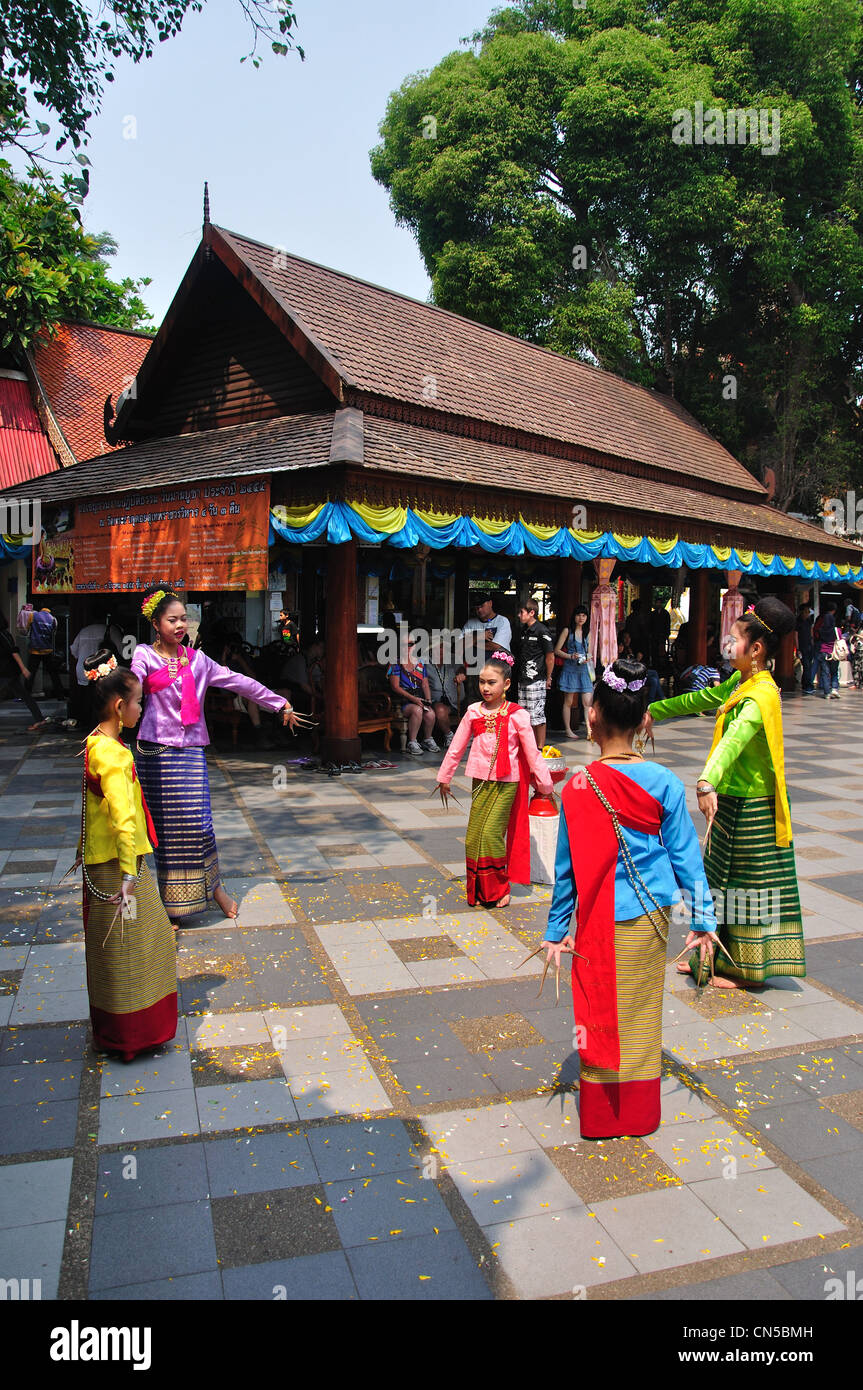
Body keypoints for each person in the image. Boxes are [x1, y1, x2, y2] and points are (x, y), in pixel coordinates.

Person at [540, 659, 718, 1139]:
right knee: (640, 1010)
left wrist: (557, 932)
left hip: (597, 916)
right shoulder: (661, 780)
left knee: (600, 1010)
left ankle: (601, 1116)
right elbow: (685, 855)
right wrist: (703, 918)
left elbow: (566, 872)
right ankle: (638, 1116)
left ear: (592, 715)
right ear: (645, 720)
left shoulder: (576, 786)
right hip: (650, 916)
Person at [644, 596, 804, 990]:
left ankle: (747, 972)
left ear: (757, 649)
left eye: (734, 638)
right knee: (718, 881)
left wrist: (704, 780)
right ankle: (711, 957)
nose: (727, 645)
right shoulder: (741, 681)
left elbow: (735, 739)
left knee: (748, 888)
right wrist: (651, 709)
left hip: (752, 805)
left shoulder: (762, 694)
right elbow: (702, 698)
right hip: (729, 800)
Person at [131, 586, 298, 922]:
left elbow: (239, 682)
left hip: (190, 753)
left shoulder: (198, 661)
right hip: (154, 754)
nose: (180, 625)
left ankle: (215, 888)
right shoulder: (143, 657)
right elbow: (131, 688)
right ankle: (168, 908)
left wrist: (278, 702)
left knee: (199, 826)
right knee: (162, 831)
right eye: (172, 620)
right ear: (156, 624)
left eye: (184, 619)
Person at [76, 652, 177, 1062]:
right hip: (122, 868)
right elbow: (122, 818)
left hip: (105, 864)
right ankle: (134, 1034)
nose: (141, 709)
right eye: (137, 702)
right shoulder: (115, 755)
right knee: (136, 942)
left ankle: (121, 1031)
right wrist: (129, 878)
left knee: (119, 945)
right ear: (120, 707)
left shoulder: (96, 744)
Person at [437, 652, 553, 908]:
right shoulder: (473, 712)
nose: (485, 688)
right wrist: (445, 776)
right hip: (480, 782)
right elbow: (456, 746)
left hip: (507, 784)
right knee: (473, 837)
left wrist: (546, 786)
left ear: (507, 684)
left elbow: (532, 753)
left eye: (491, 682)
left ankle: (500, 889)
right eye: (481, 682)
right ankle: (479, 890)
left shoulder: (517, 714)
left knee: (490, 834)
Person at [69, 612, 125, 728]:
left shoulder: (84, 631)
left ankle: (85, 722)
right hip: (103, 670)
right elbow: (122, 650)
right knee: (102, 699)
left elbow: (73, 651)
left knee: (86, 697)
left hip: (83, 669)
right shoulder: (111, 630)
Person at [0, 611, 50, 730]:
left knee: (25, 695)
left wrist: (23, 669)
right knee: (25, 695)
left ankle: (39, 719)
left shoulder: (3, 635)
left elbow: (13, 651)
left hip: (6, 671)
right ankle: (39, 719)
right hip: (7, 671)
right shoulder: (5, 634)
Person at [516, 598, 555, 748]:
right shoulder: (524, 630)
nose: (519, 615)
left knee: (537, 715)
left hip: (537, 678)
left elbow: (550, 656)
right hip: (523, 678)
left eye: (522, 612)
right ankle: (528, 746)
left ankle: (540, 748)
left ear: (532, 613)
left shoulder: (542, 630)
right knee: (524, 716)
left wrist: (548, 677)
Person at [387, 641, 436, 755]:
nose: (408, 647)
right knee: (417, 710)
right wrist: (414, 699)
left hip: (418, 698)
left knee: (430, 713)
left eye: (411, 644)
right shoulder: (396, 663)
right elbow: (395, 687)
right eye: (405, 644)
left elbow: (425, 684)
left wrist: (428, 701)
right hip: (402, 701)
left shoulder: (420, 663)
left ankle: (427, 739)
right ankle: (412, 743)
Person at [554, 604, 592, 738]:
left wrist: (588, 658)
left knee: (587, 701)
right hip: (570, 668)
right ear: (574, 616)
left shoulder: (588, 632)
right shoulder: (567, 631)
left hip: (584, 669)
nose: (581, 618)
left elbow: (590, 652)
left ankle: (589, 731)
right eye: (578, 615)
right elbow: (557, 650)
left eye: (584, 615)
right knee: (568, 701)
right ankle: (568, 729)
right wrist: (570, 656)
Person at [424, 640, 466, 748]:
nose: (441, 650)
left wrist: (461, 674)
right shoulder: (424, 661)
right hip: (434, 701)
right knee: (440, 709)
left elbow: (461, 668)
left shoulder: (452, 658)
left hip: (454, 701)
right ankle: (449, 736)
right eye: (437, 648)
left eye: (443, 647)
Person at [26, 604, 64, 701]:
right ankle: (60, 695)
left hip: (35, 650)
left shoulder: (33, 615)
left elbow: (27, 629)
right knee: (53, 673)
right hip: (47, 650)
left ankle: (26, 695)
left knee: (31, 673)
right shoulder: (53, 619)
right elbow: (54, 633)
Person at [815, 601, 842, 700]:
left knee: (825, 673)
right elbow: (840, 640)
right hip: (834, 653)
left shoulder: (821, 630)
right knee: (834, 672)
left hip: (823, 652)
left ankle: (827, 693)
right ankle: (834, 689)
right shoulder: (837, 630)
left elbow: (817, 637)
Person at [796, 603, 815, 695]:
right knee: (807, 666)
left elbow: (811, 632)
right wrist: (798, 648)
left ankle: (805, 684)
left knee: (808, 666)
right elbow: (795, 635)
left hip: (809, 646)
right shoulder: (798, 621)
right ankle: (808, 686)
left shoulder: (809, 621)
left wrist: (812, 642)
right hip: (802, 646)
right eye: (806, 611)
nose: (808, 613)